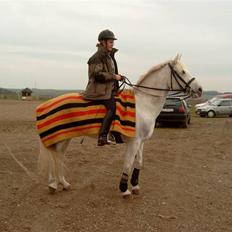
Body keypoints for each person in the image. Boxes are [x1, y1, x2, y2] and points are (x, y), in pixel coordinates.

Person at [83, 29, 124, 146]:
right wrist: (114, 76)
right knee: (112, 107)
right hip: (98, 91)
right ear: (102, 42)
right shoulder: (96, 57)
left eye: (112, 41)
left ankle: (115, 134)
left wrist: (119, 77)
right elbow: (97, 75)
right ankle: (102, 136)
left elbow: (111, 74)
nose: (112, 44)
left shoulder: (108, 56)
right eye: (110, 41)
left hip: (107, 91)